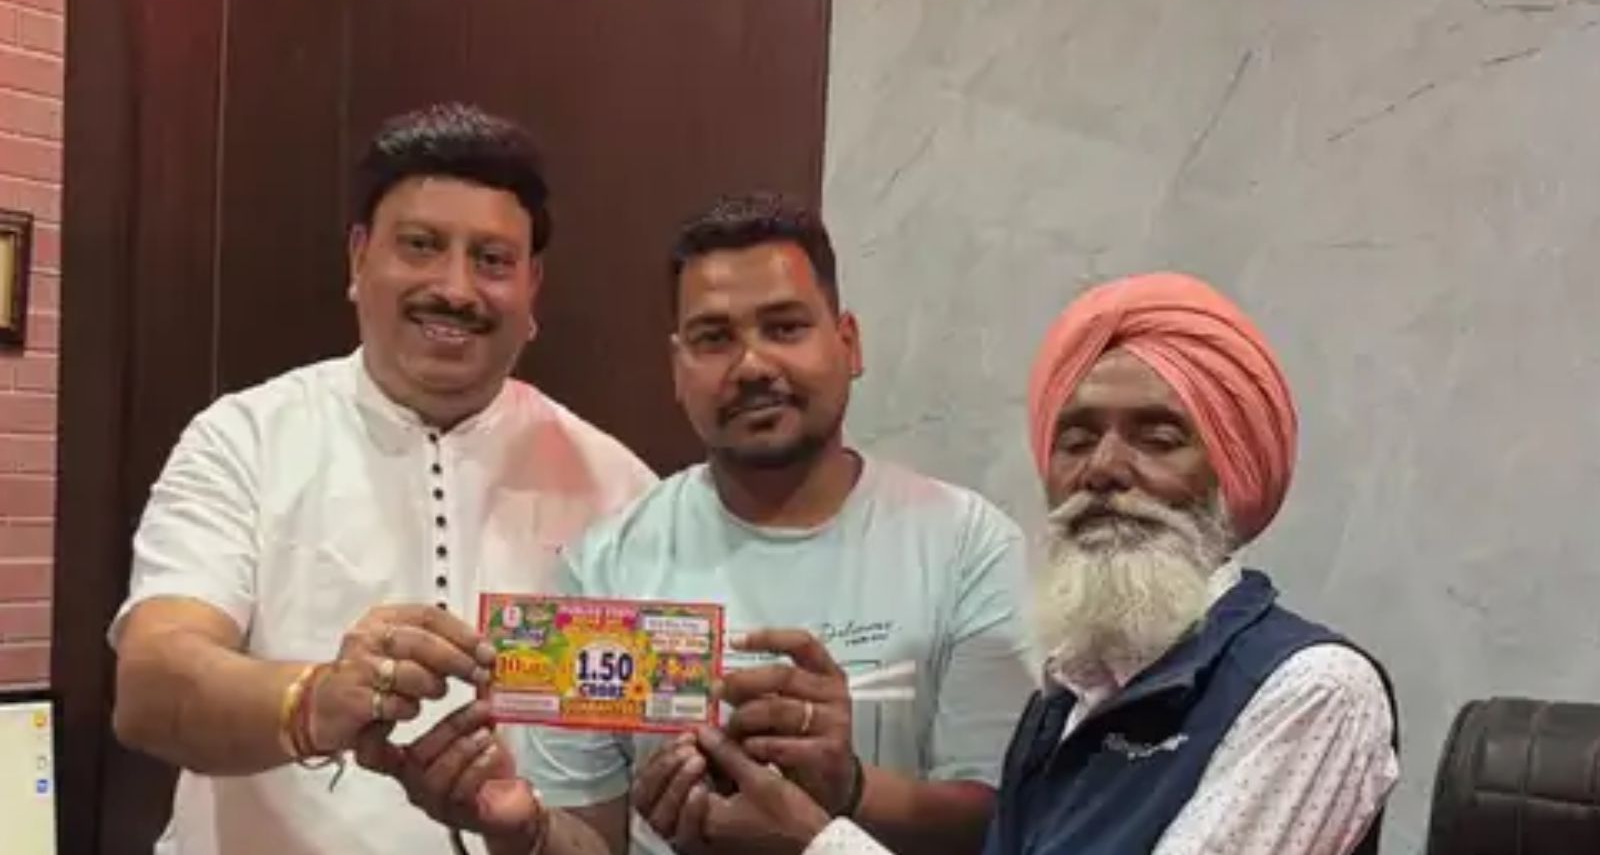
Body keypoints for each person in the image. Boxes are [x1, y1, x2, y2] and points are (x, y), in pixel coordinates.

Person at [386, 193, 1036, 855]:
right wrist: (522, 833)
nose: (752, 365)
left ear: (848, 343)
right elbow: (589, 836)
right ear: (677, 368)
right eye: (714, 338)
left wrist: (848, 791)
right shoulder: (603, 566)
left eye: (785, 327)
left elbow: (1005, 822)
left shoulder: (966, 544)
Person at [671, 271, 1401, 855]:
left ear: (1232, 473)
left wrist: (815, 843)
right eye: (1076, 440)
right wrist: (831, 799)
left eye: (1157, 439)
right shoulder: (1068, 695)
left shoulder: (1313, 691)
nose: (1103, 469)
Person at [109, 102, 656, 855]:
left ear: (533, 286)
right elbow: (152, 683)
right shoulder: (245, 440)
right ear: (359, 258)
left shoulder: (616, 488)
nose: (456, 289)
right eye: (421, 246)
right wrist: (316, 700)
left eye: (492, 260)